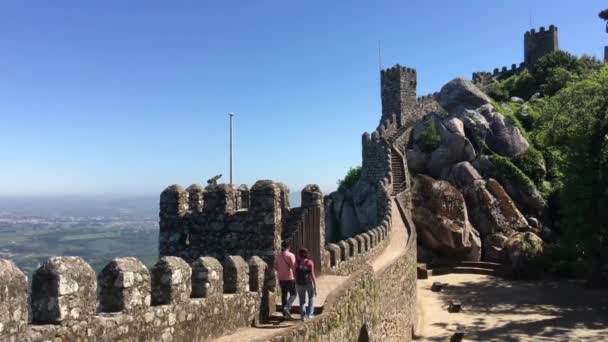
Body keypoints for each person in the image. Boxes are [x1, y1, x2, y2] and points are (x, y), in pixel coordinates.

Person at [273, 240, 296, 318]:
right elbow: (293, 266)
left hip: (281, 278)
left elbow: (275, 266)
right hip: (290, 277)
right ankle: (287, 307)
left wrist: (280, 270)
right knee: (293, 294)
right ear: (289, 247)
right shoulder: (291, 255)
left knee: (284, 294)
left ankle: (284, 313)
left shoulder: (278, 256)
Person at [295, 248, 317, 321]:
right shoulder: (309, 262)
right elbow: (312, 274)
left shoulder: (297, 263)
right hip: (308, 283)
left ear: (299, 255)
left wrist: (295, 282)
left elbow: (294, 273)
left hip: (299, 284)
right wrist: (315, 285)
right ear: (307, 254)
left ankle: (302, 316)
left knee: (302, 301)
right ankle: (310, 314)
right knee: (310, 298)